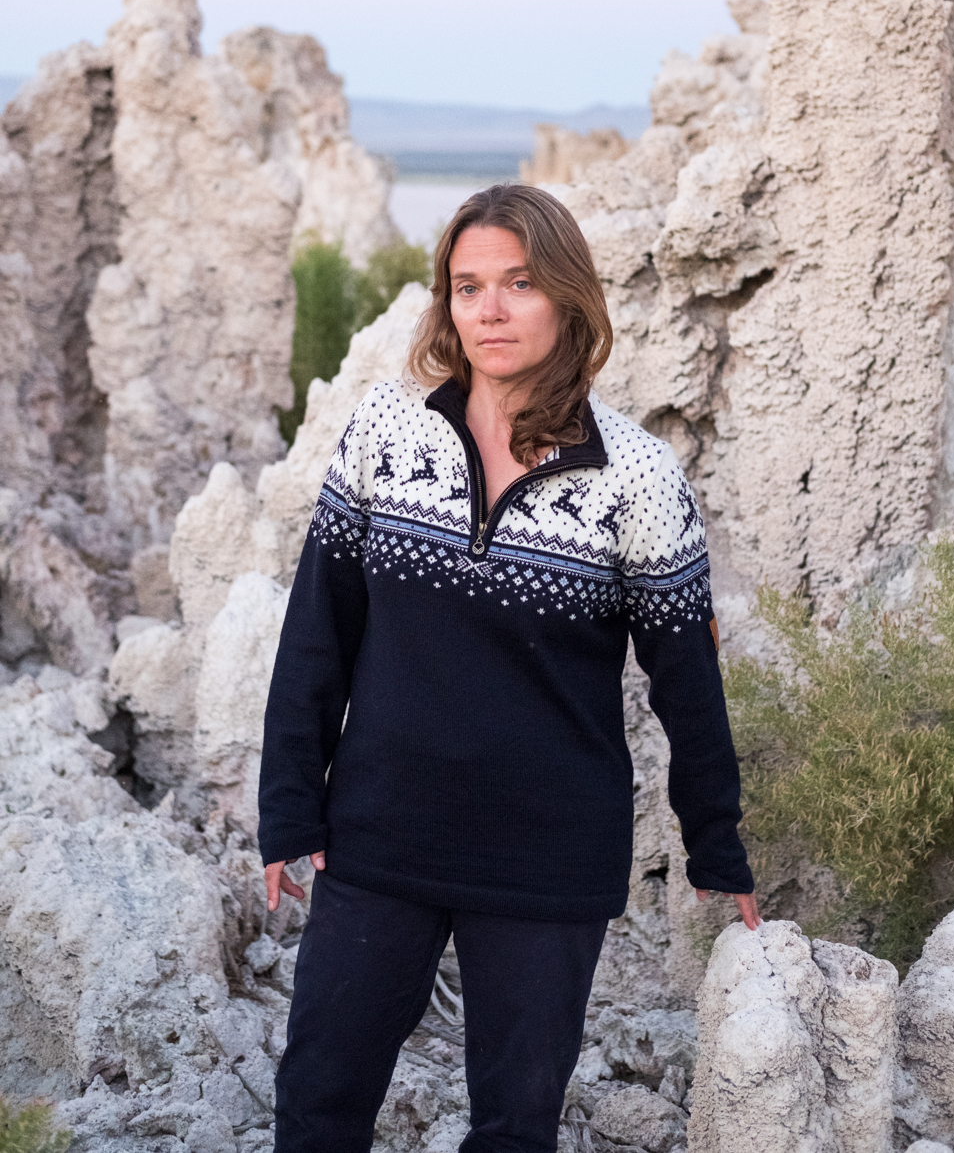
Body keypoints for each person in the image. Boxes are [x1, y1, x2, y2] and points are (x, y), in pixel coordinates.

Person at [258, 183, 759, 1153]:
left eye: (518, 284)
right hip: (380, 839)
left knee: (516, 1126)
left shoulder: (637, 477)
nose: (488, 309)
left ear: (567, 298)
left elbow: (686, 680)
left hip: (545, 858)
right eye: (466, 285)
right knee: (318, 1101)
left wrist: (716, 842)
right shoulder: (385, 435)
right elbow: (316, 634)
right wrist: (289, 808)